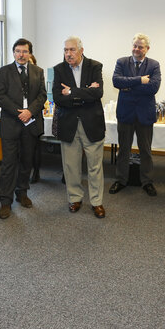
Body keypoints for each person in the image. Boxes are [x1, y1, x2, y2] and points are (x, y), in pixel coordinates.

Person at [52, 36, 106, 218]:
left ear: (81, 50)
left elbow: (97, 93)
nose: (68, 54)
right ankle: (75, 198)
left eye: (72, 50)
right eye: (66, 50)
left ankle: (97, 202)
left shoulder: (95, 66)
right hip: (69, 124)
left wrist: (72, 92)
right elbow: (58, 98)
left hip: (92, 123)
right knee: (71, 165)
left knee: (95, 166)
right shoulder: (59, 69)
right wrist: (85, 92)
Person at [0, 38, 47, 219]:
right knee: (9, 164)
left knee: (26, 162)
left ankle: (22, 193)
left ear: (30, 53)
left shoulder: (38, 72)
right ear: (13, 52)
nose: (21, 55)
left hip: (30, 125)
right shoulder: (2, 72)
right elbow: (0, 97)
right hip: (11, 124)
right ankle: (5, 201)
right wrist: (20, 113)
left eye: (24, 51)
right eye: (17, 51)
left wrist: (30, 112)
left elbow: (42, 96)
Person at [109, 33, 161, 197]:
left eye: (140, 46)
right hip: (126, 113)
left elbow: (153, 88)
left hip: (145, 114)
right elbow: (117, 81)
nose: (136, 49)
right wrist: (140, 80)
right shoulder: (122, 62)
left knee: (145, 150)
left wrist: (128, 85)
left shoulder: (154, 65)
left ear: (147, 49)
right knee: (123, 149)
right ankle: (121, 180)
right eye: (135, 46)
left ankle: (147, 182)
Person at [27, 53, 43, 184]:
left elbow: (42, 96)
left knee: (35, 147)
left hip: (35, 116)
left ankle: (36, 172)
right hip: (21, 117)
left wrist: (31, 110)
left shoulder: (38, 76)